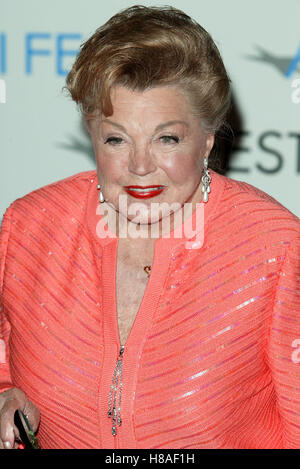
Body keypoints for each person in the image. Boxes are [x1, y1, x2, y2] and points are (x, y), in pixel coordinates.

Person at [0, 5, 299, 450]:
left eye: (167, 139)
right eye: (116, 139)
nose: (140, 166)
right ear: (91, 134)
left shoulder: (273, 245)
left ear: (208, 139)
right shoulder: (29, 227)